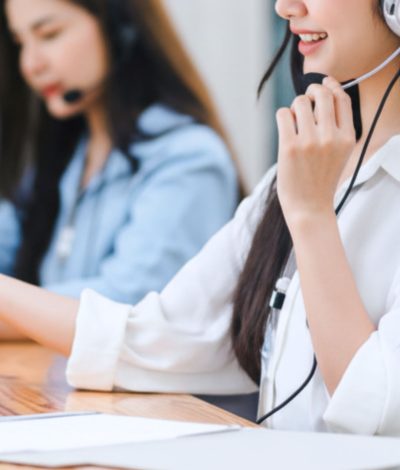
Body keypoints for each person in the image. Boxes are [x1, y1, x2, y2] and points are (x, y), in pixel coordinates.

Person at [0, 0, 400, 436]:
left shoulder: (285, 184)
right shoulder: (295, 174)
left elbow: (379, 409)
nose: (286, 7)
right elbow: (161, 337)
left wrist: (311, 216)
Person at [0, 0, 239, 335]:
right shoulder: (61, 157)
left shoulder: (188, 159)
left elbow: (129, 306)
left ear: (120, 26)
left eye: (49, 35)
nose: (30, 64)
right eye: (20, 43)